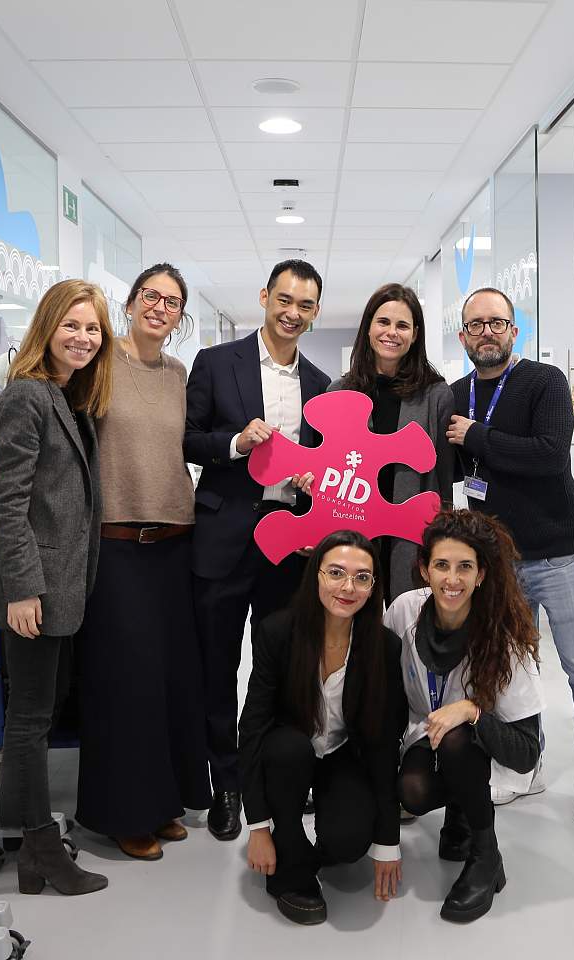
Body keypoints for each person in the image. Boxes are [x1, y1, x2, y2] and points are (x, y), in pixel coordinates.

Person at [446, 286, 574, 824]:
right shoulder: (456, 394)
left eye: (497, 322)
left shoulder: (545, 382)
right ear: (463, 336)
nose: (487, 332)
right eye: (477, 325)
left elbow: (548, 455)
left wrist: (478, 436)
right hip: (498, 561)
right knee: (513, 669)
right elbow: (453, 470)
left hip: (557, 554)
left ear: (514, 331)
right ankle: (528, 763)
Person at [0, 279, 113, 896]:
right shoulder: (26, 395)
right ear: (47, 327)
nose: (83, 338)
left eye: (92, 328)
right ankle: (40, 846)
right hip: (34, 589)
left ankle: (33, 853)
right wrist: (23, 590)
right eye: (71, 325)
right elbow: (9, 501)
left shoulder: (69, 396)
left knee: (43, 712)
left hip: (62, 585)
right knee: (29, 719)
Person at [184, 259, 331, 842]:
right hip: (223, 537)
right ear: (265, 297)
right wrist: (235, 443)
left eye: (305, 305)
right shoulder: (217, 362)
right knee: (217, 667)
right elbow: (188, 439)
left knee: (280, 667)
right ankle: (225, 785)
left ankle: (270, 775)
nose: (292, 313)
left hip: (288, 543)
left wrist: (314, 483)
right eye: (285, 300)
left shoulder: (320, 383)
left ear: (315, 312)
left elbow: (323, 461)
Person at [73, 264, 211, 861]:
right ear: (129, 303)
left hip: (175, 541)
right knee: (123, 681)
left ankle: (162, 803)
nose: (160, 307)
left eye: (172, 302)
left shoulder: (178, 374)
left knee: (169, 680)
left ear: (180, 317)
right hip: (117, 542)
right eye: (151, 296)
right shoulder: (99, 363)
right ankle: (123, 813)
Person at [238, 530, 408, 925]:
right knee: (288, 750)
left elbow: (384, 744)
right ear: (315, 574)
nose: (348, 587)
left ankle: (321, 841)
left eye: (362, 577)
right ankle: (289, 854)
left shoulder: (384, 646)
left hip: (342, 753)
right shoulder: (277, 632)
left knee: (349, 843)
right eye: (336, 573)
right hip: (288, 751)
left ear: (373, 587)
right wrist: (258, 827)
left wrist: (387, 841)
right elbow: (253, 729)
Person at [387, 509, 544, 923]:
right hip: (424, 730)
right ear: (424, 569)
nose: (452, 579)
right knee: (412, 791)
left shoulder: (504, 639)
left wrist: (473, 711)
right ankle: (458, 806)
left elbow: (526, 753)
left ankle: (486, 855)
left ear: (481, 575)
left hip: (479, 743)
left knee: (458, 739)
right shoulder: (403, 612)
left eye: (465, 567)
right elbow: (384, 696)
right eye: (441, 565)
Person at [328, 282, 455, 602]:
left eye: (402, 325)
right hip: (354, 527)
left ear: (415, 334)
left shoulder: (436, 395)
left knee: (408, 619)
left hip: (412, 534)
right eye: (383, 322)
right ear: (368, 328)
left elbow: (443, 480)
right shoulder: (339, 392)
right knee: (354, 618)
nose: (392, 333)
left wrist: (443, 543)